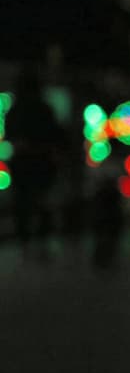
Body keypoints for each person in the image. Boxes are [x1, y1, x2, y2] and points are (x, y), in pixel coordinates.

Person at [6, 69, 63, 260]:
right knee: (41, 204)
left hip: (23, 162)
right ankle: (40, 244)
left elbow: (11, 136)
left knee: (23, 204)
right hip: (41, 162)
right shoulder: (44, 108)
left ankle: (25, 244)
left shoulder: (16, 110)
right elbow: (56, 135)